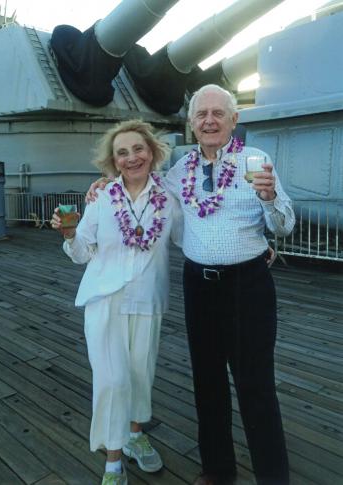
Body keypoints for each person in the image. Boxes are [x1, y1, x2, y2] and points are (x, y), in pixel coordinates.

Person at [86, 84, 295, 485]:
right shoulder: (179, 171)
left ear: (234, 120)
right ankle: (218, 470)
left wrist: (269, 199)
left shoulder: (258, 160)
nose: (210, 121)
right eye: (202, 115)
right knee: (207, 383)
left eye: (219, 113)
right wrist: (102, 183)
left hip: (247, 286)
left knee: (256, 386)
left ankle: (273, 477)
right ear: (192, 124)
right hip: (200, 286)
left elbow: (284, 225)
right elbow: (139, 185)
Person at [51, 119, 183, 485]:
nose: (131, 158)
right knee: (111, 379)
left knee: (141, 375)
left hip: (148, 299)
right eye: (122, 153)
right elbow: (81, 253)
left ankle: (136, 435)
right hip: (104, 299)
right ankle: (112, 460)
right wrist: (69, 234)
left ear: (153, 152)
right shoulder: (102, 197)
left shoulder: (170, 199)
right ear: (113, 160)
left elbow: (192, 238)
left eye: (138, 149)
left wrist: (252, 246)